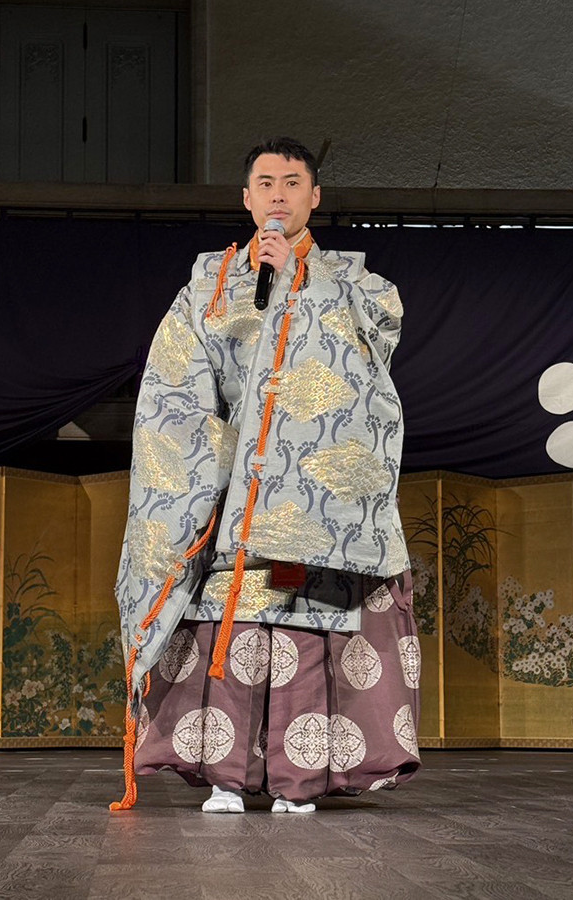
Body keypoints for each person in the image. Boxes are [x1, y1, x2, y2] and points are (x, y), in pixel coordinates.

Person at [110, 137, 421, 815]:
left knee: (306, 633)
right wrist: (214, 464)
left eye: (293, 182)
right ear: (246, 198)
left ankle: (298, 781)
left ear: (315, 196)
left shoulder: (359, 287)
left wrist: (299, 290)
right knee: (230, 630)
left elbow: (366, 374)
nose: (279, 194)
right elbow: (176, 389)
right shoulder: (209, 288)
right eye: (266, 183)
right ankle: (227, 778)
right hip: (232, 494)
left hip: (313, 500)